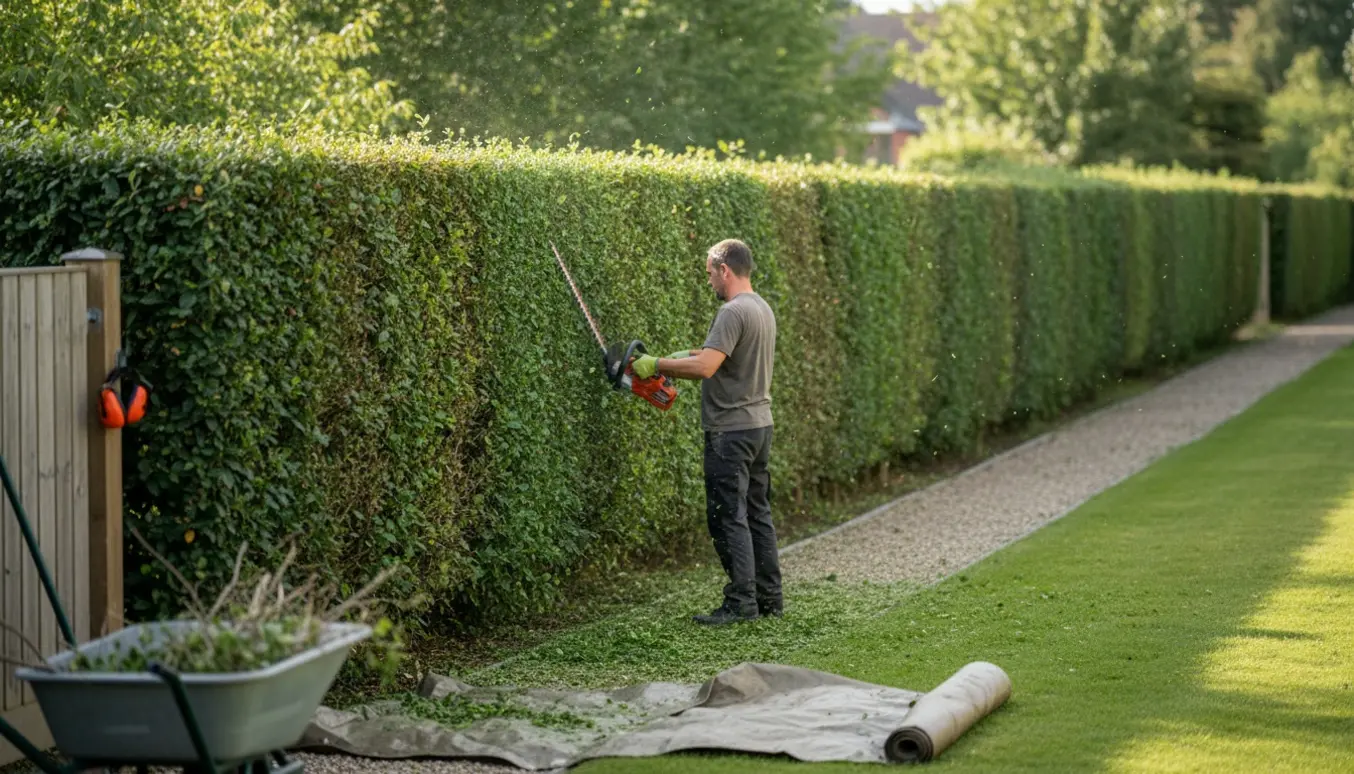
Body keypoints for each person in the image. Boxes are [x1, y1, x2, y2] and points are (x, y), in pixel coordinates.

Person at [632, 238, 782, 625]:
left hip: (729, 432)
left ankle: (740, 604)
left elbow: (706, 368)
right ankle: (769, 600)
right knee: (756, 514)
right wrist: (676, 358)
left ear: (725, 269)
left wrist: (654, 364)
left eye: (710, 274)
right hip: (759, 427)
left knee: (728, 517)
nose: (710, 282)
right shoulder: (761, 307)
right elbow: (712, 356)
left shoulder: (732, 312)